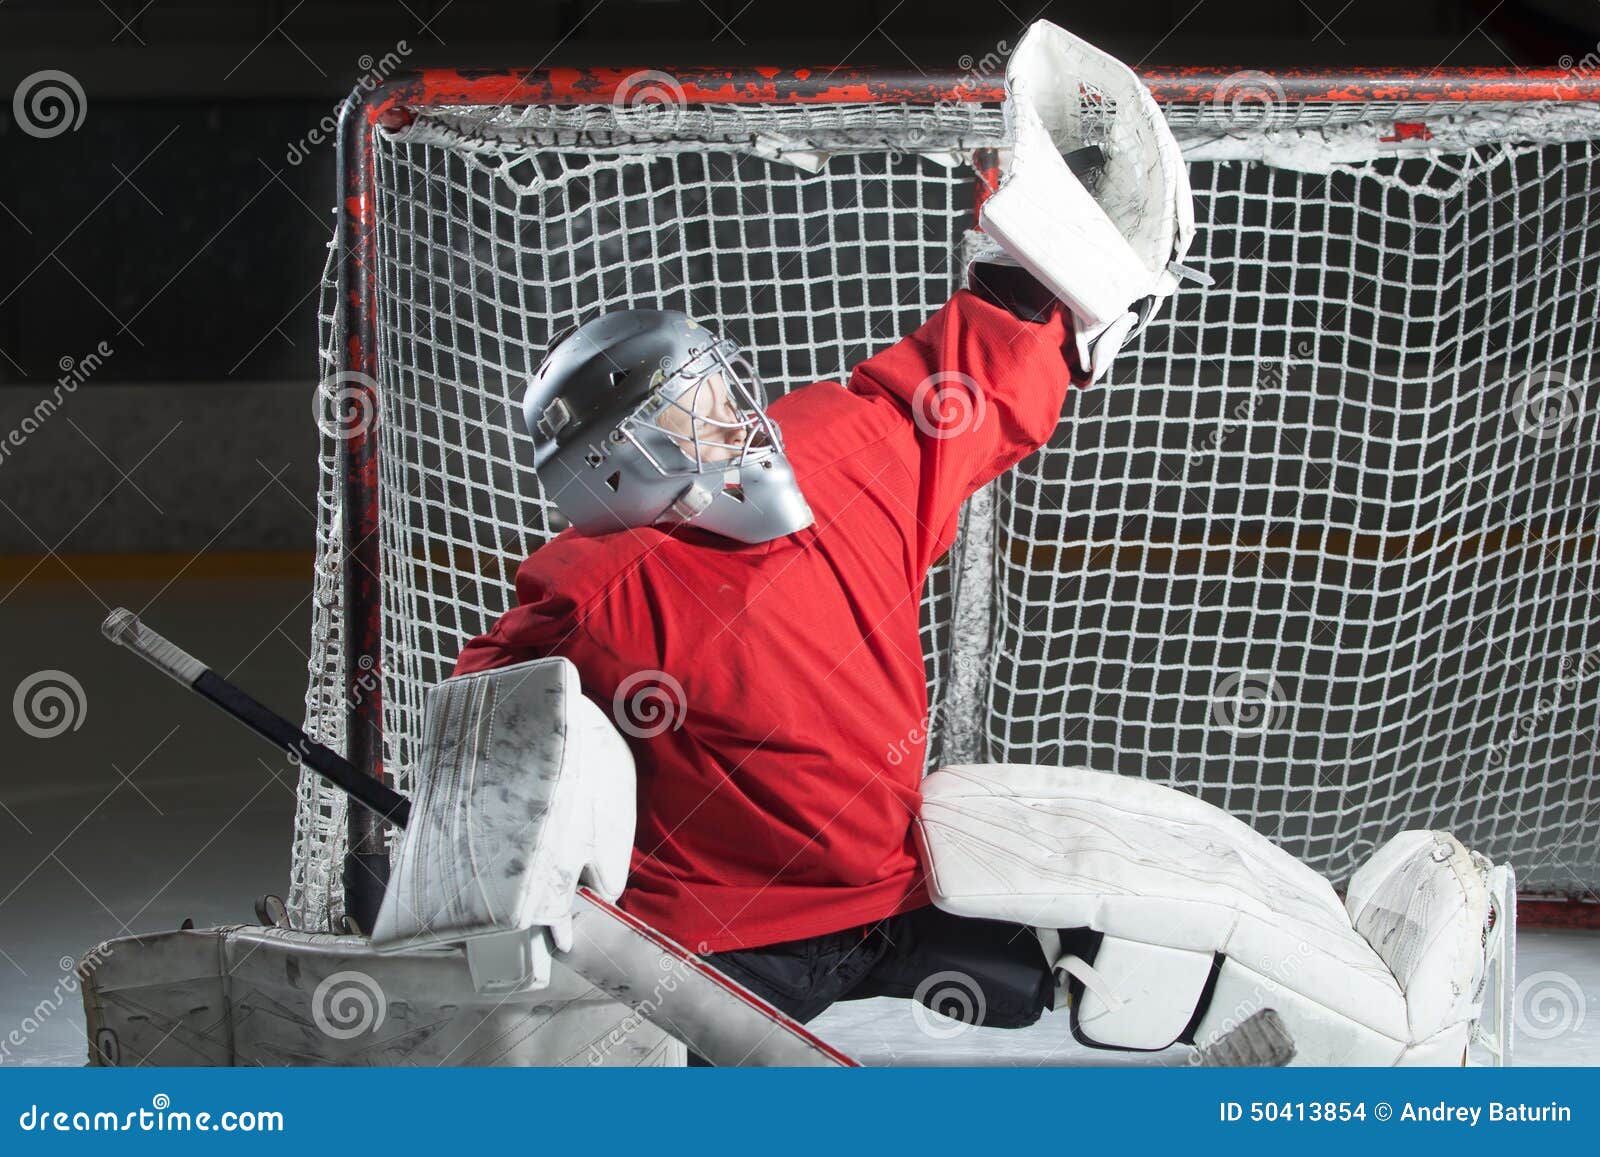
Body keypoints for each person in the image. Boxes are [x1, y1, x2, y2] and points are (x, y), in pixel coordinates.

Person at [451, 261, 1085, 1038]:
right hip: (742, 942)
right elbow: (485, 724)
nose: (739, 421)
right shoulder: (595, 594)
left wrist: (1044, 281)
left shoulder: (836, 456)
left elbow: (961, 382)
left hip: (871, 902)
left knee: (1088, 951)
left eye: (723, 387)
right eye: (692, 411)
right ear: (612, 467)